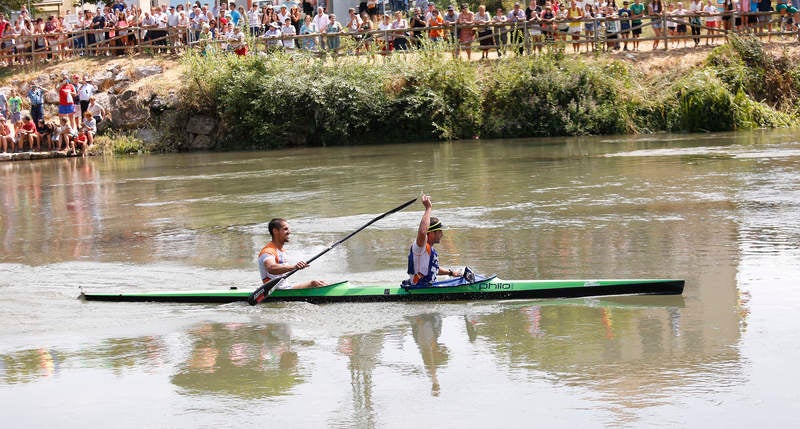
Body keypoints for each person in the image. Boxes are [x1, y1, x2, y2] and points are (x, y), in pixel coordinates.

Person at [405, 195, 462, 288]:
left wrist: (451, 273)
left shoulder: (428, 250)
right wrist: (428, 208)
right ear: (431, 233)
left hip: (429, 287)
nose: (442, 235)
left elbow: (434, 269)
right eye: (440, 232)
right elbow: (423, 232)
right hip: (420, 290)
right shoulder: (419, 248)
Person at [258, 218, 327, 290]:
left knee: (319, 282)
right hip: (274, 290)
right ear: (275, 231)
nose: (289, 232)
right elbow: (271, 268)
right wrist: (294, 267)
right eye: (285, 229)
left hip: (284, 288)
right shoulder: (268, 251)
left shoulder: (282, 251)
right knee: (314, 283)